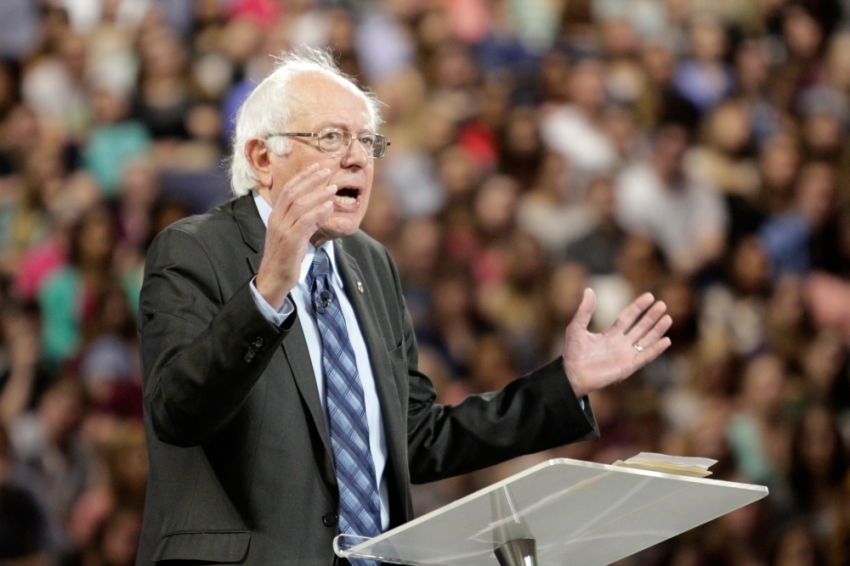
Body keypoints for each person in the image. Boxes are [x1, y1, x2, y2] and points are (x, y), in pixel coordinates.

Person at [135, 48, 672, 566]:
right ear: (261, 158)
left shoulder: (371, 264)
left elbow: (416, 438)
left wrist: (566, 384)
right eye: (331, 138)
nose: (356, 158)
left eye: (368, 142)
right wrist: (268, 287)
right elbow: (178, 412)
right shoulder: (195, 249)